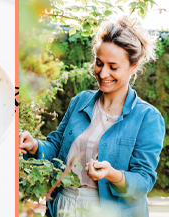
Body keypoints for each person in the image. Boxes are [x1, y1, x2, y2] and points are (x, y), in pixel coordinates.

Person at [19, 15, 165, 217]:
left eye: (113, 67)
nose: (103, 73)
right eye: (99, 63)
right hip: (62, 207)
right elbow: (56, 147)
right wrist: (34, 145)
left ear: (134, 66)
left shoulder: (147, 117)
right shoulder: (80, 101)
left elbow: (143, 182)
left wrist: (112, 174)